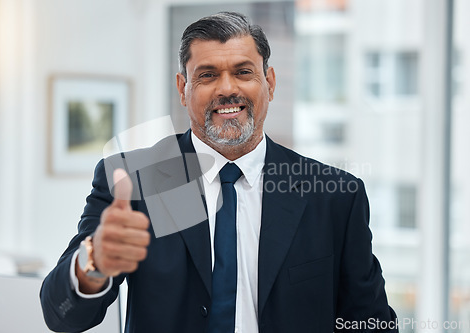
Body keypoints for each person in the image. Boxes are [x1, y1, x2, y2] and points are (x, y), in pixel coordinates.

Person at [40, 12, 398, 333]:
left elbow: (369, 321)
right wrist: (94, 261)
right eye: (208, 75)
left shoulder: (333, 194)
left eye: (243, 72)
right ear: (184, 89)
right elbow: (62, 316)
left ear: (270, 83)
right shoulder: (136, 179)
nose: (227, 89)